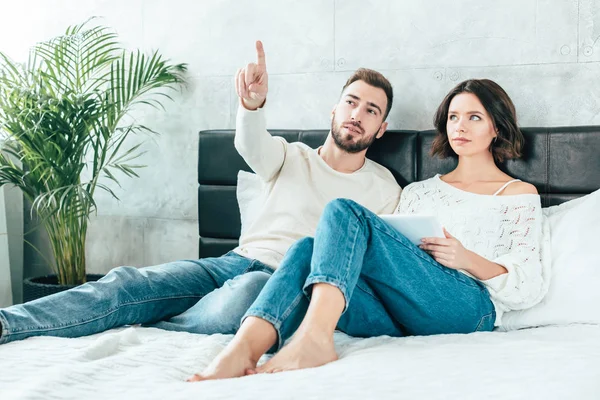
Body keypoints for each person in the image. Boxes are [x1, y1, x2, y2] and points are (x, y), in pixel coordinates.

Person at [0, 41, 401, 344]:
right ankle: (9, 324)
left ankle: (149, 323)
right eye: (351, 102)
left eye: (371, 110)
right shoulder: (289, 155)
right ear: (334, 110)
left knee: (243, 296)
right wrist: (252, 104)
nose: (356, 115)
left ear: (380, 128)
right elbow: (251, 144)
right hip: (231, 263)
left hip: (283, 284)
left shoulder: (383, 187)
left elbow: (374, 261)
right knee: (127, 282)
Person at [189, 78, 545, 382]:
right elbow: (391, 258)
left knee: (343, 211)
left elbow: (528, 287)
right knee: (306, 248)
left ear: (495, 127)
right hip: (399, 313)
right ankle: (244, 348)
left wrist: (466, 258)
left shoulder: (516, 195)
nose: (460, 127)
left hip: (469, 307)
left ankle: (315, 337)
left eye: (473, 117)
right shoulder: (418, 192)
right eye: (453, 117)